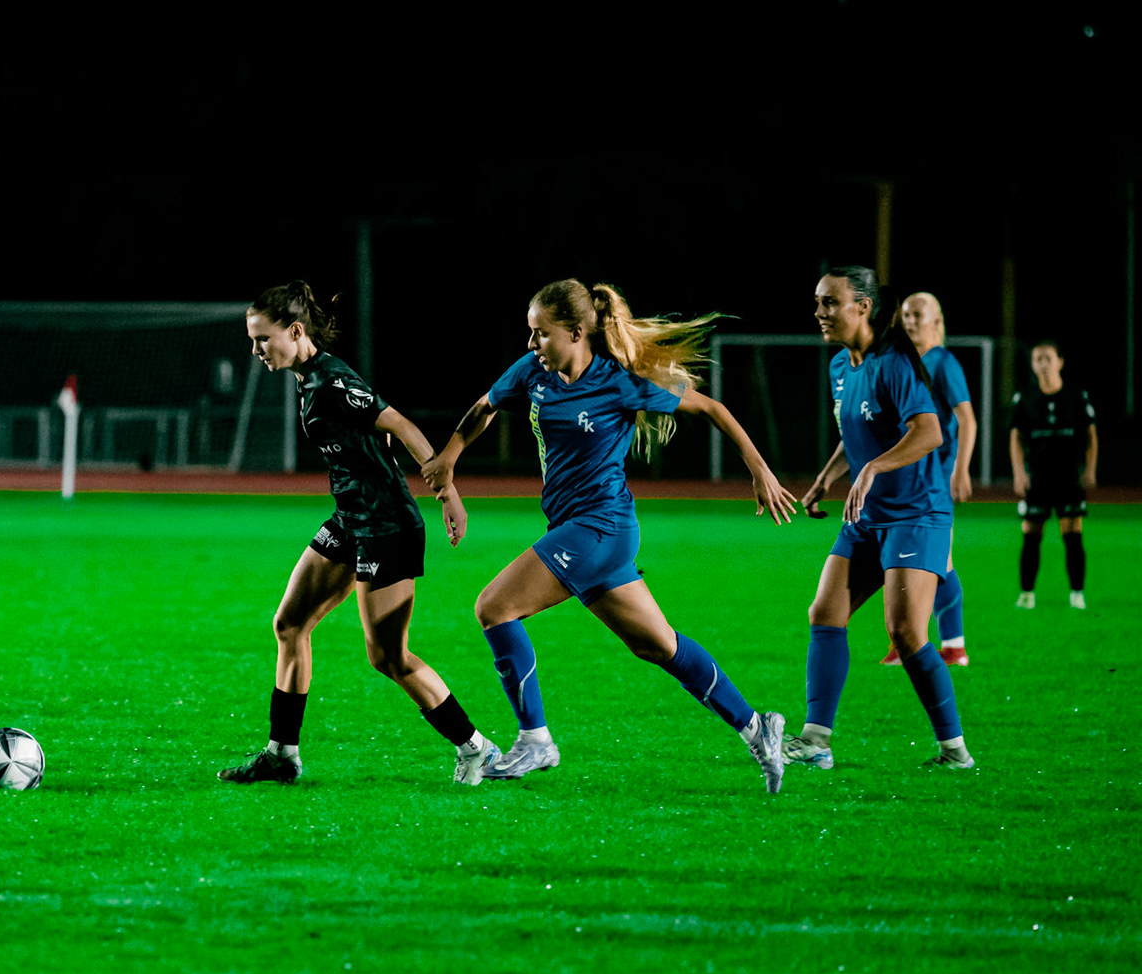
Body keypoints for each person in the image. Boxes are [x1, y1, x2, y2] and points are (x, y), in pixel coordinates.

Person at [421, 278, 800, 794]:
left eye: (541, 334)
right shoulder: (533, 372)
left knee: (494, 607)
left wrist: (760, 471)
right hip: (577, 530)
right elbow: (484, 407)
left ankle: (535, 740)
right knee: (660, 647)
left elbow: (712, 409)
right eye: (530, 334)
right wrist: (449, 459)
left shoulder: (619, 380)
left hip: (602, 527)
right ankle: (758, 727)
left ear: (577, 332)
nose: (532, 344)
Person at [218, 281, 505, 786]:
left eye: (263, 339)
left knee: (387, 657)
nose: (256, 350)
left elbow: (401, 425)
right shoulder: (308, 380)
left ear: (295, 331)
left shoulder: (332, 381)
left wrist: (446, 490)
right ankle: (282, 754)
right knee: (289, 625)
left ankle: (475, 747)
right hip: (351, 519)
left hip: (388, 526)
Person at [792, 266, 974, 771]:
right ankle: (815, 740)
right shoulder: (840, 367)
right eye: (817, 302)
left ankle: (954, 750)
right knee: (825, 612)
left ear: (864, 307)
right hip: (867, 515)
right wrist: (825, 479)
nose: (820, 313)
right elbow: (855, 435)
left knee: (907, 633)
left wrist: (872, 467)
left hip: (917, 513)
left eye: (831, 303)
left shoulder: (896, 362)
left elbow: (929, 433)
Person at [875, 293, 976, 666]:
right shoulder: (905, 362)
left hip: (934, 480)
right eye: (906, 315)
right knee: (911, 558)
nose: (911, 321)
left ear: (937, 319)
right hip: (907, 479)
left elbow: (967, 419)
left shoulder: (943, 362)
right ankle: (929, 644)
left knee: (937, 562)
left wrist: (961, 469)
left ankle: (948, 645)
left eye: (918, 314)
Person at [1009, 340, 1097, 609]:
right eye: (1037, 359)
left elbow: (1091, 435)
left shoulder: (1075, 395)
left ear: (1060, 362)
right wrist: (1019, 473)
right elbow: (1015, 437)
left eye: (1047, 358)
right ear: (1033, 365)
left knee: (1072, 533)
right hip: (1038, 477)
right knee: (1031, 533)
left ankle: (1077, 593)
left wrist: (1090, 469)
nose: (1043, 364)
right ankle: (1027, 594)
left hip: (1069, 476)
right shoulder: (1024, 398)